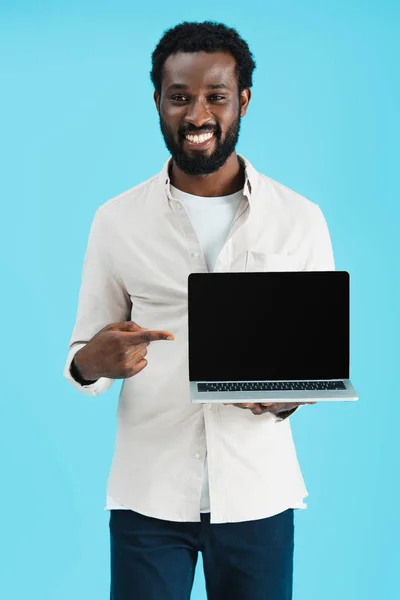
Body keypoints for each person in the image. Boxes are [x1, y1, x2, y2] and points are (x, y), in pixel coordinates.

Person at [64, 20, 334, 600]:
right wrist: (94, 361)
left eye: (215, 96)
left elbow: (316, 355)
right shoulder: (116, 221)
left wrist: (289, 395)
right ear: (158, 101)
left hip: (258, 492)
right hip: (148, 496)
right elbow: (83, 356)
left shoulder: (299, 218)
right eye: (180, 97)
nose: (197, 115)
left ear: (243, 101)